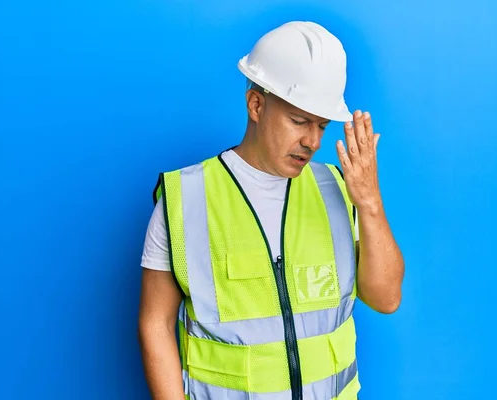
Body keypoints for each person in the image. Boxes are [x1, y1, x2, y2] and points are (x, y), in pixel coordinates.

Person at [138, 21, 404, 400]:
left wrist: (371, 204)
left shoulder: (341, 191)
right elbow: (155, 323)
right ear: (256, 105)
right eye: (299, 121)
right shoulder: (186, 198)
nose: (312, 140)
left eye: (322, 126)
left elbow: (387, 298)